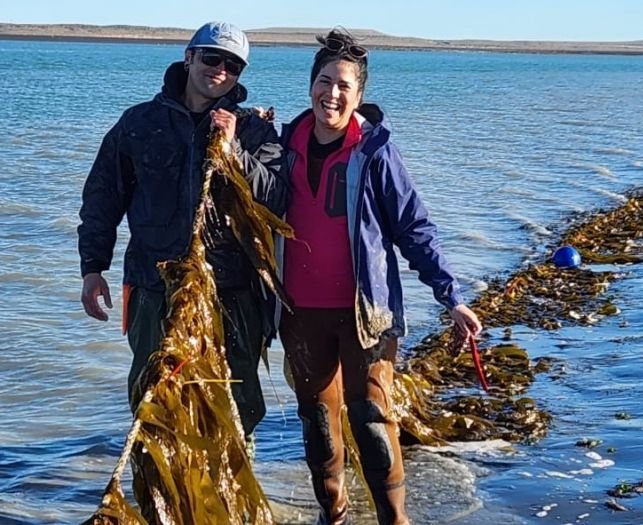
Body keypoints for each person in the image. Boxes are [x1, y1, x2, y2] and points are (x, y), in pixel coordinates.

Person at [277, 29, 482, 525]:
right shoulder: (283, 145)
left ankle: (395, 520)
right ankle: (335, 515)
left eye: (344, 85)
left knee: (370, 420)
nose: (332, 93)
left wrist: (450, 295)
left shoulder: (376, 153)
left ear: (359, 95)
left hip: (366, 314)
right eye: (325, 81)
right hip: (300, 315)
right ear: (310, 86)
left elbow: (414, 227)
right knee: (319, 426)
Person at [78, 21, 285, 442]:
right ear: (188, 57)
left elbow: (279, 196)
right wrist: (92, 268)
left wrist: (235, 153)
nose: (220, 70)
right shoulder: (138, 124)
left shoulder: (253, 129)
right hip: (154, 289)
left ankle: (228, 495)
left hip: (232, 292)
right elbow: (102, 199)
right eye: (212, 57)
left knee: (237, 408)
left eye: (233, 65)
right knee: (153, 401)